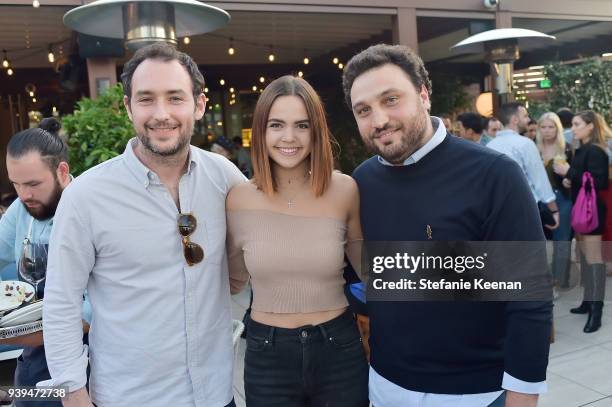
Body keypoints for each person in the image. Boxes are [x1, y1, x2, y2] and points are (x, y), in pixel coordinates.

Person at [342, 44, 552, 407]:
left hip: (477, 393)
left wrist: (522, 396)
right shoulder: (362, 181)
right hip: (384, 386)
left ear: (423, 94)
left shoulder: (495, 175)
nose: (378, 120)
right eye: (364, 110)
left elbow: (529, 299)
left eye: (391, 99)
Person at [40, 43, 245, 407]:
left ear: (199, 105)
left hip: (215, 394)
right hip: (129, 397)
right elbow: (61, 302)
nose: (161, 113)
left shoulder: (224, 178)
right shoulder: (86, 196)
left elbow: (257, 242)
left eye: (175, 98)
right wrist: (72, 391)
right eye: (146, 99)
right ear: (128, 106)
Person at [226, 75, 369, 406]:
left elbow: (373, 271)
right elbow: (231, 281)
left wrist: (471, 276)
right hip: (267, 354)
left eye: (301, 125)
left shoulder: (345, 190)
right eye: (276, 124)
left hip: (339, 350)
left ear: (316, 130)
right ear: (261, 130)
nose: (288, 137)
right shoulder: (238, 199)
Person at [0, 118, 91, 407]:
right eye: (16, 184)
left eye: (33, 184)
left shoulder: (90, 210)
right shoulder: (23, 207)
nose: (24, 194)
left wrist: (11, 335)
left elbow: (89, 317)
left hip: (87, 360)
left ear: (62, 171)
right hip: (34, 359)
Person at [553, 110, 610, 333]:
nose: (573, 128)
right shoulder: (582, 150)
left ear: (590, 126)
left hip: (592, 210)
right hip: (583, 209)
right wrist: (569, 179)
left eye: (577, 124)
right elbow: (583, 178)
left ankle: (597, 309)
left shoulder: (595, 150)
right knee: (585, 257)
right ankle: (588, 301)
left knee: (594, 259)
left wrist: (570, 173)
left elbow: (600, 181)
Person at [487, 103, 560, 232]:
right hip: (526, 207)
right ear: (515, 120)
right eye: (525, 116)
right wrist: (553, 209)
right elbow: (539, 180)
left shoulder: (489, 146)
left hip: (498, 211)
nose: (528, 120)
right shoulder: (525, 144)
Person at [536, 112, 573, 287]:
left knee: (562, 239)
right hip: (538, 198)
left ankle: (559, 278)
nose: (547, 130)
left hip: (562, 197)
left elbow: (575, 175)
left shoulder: (567, 148)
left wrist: (568, 178)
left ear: (557, 129)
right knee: (537, 238)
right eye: (543, 127)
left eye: (551, 127)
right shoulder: (532, 148)